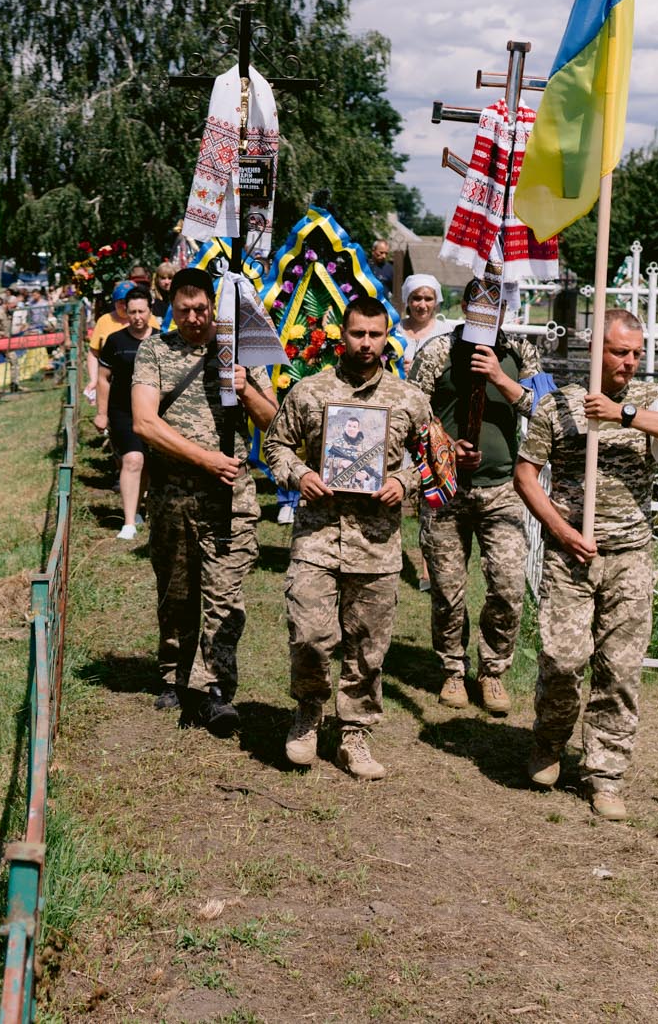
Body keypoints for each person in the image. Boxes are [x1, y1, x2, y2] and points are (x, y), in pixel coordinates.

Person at [515, 309, 658, 821]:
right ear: (596, 350)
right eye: (621, 352)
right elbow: (526, 475)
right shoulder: (557, 406)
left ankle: (605, 773)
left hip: (630, 557)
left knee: (619, 670)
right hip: (571, 554)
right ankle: (549, 743)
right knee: (563, 660)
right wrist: (562, 531)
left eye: (636, 353)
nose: (630, 361)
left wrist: (622, 416)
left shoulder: (648, 399)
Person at [262, 295, 435, 780]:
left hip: (377, 546)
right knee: (310, 636)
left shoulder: (409, 399)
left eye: (375, 335)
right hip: (317, 538)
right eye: (357, 334)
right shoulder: (310, 392)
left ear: (387, 337)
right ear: (343, 335)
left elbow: (434, 459)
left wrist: (404, 482)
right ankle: (308, 713)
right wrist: (298, 475)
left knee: (368, 647)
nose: (365, 343)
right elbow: (274, 444)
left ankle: (355, 733)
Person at [131, 267, 278, 734]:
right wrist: (205, 458)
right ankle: (173, 673)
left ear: (215, 305)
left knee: (224, 596)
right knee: (176, 593)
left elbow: (274, 421)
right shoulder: (156, 349)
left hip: (230, 497)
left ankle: (215, 690)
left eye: (201, 309)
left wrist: (245, 387)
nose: (194, 318)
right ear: (170, 309)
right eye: (183, 310)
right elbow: (144, 423)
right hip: (174, 496)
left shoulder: (240, 351)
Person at [407, 280, 546, 715]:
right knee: (447, 589)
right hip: (447, 491)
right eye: (481, 304)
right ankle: (452, 669)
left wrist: (501, 379)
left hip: (503, 489)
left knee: (507, 586)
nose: (490, 312)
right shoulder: (437, 351)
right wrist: (446, 446)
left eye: (498, 304)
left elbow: (545, 408)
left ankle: (493, 672)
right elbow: (412, 415)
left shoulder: (521, 350)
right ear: (465, 306)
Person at [94, 292, 154, 540]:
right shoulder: (115, 341)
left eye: (141, 311)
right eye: (132, 312)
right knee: (133, 460)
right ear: (125, 313)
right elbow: (103, 379)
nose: (137, 317)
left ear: (150, 311)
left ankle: (142, 508)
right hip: (123, 411)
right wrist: (101, 413)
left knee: (148, 464)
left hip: (154, 412)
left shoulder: (162, 341)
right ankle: (128, 522)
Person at [392, 274, 454, 374]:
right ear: (408, 300)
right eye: (417, 298)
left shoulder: (446, 332)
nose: (422, 305)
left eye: (428, 299)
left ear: (435, 302)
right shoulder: (395, 330)